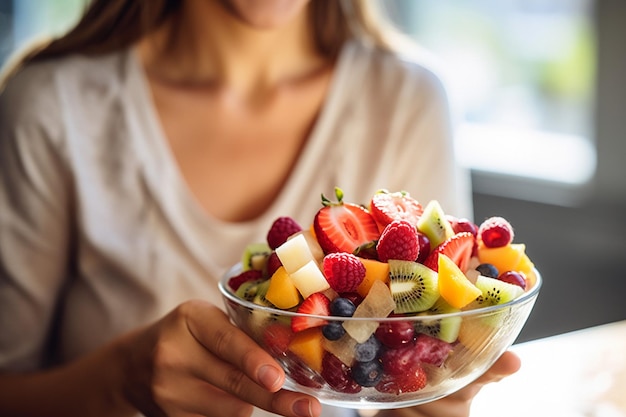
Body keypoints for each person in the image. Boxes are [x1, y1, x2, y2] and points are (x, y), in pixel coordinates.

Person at [0, 0, 521, 416]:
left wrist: (425, 393)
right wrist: (117, 381)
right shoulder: (51, 107)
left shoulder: (408, 98)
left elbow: (409, 349)